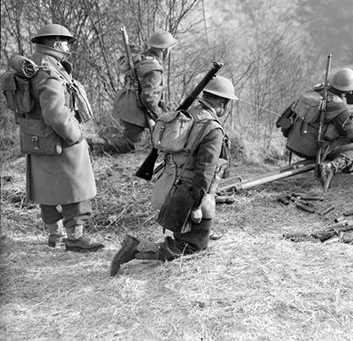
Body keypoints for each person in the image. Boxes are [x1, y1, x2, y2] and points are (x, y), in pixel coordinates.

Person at [110, 75, 237, 276]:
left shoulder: (186, 115)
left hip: (169, 186)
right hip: (187, 194)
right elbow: (205, 172)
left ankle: (194, 233)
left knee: (198, 236)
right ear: (223, 103)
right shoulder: (212, 129)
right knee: (193, 247)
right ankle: (136, 248)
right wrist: (196, 206)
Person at [18, 24, 103, 252]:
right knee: (76, 189)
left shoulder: (33, 66)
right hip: (61, 139)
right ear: (56, 44)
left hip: (39, 139)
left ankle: (54, 236)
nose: (67, 47)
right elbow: (55, 113)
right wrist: (75, 134)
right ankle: (75, 239)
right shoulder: (49, 72)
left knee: (48, 189)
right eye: (65, 43)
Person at [278, 68, 353, 191]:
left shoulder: (315, 90)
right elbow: (350, 133)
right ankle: (331, 166)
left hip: (294, 143)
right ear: (347, 89)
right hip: (312, 150)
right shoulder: (337, 104)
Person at [97, 30, 177, 154]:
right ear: (165, 50)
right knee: (130, 144)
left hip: (128, 103)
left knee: (133, 141)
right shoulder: (153, 67)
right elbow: (149, 97)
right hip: (133, 108)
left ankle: (96, 144)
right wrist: (160, 116)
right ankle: (93, 145)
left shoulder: (144, 58)